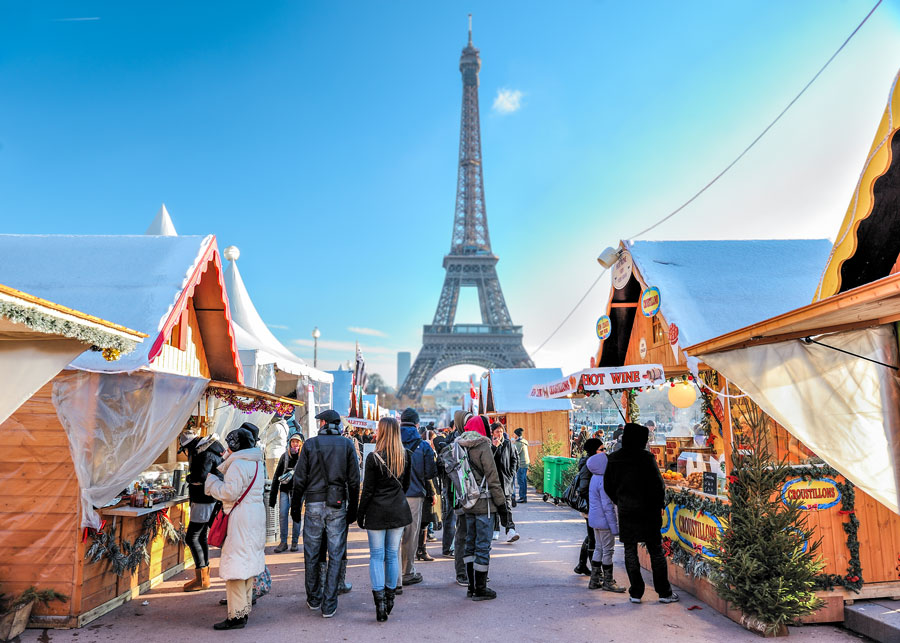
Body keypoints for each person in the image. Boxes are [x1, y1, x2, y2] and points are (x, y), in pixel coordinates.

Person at [290, 409, 361, 618]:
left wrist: (295, 506)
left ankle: (313, 598)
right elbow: (354, 481)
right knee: (336, 553)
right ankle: (329, 603)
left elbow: (299, 479)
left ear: (323, 423)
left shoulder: (310, 444)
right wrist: (353, 509)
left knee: (311, 552)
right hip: (337, 503)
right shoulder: (347, 444)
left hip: (313, 502)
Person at [604, 423, 679, 604]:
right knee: (655, 550)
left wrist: (620, 500)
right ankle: (664, 593)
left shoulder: (613, 458)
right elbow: (658, 484)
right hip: (648, 510)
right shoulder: (646, 457)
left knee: (630, 551)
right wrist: (659, 504)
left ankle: (636, 593)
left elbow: (608, 486)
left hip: (627, 510)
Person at [204, 425, 266, 630]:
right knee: (248, 564)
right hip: (255, 516)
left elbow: (229, 494)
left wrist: (212, 483)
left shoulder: (239, 465)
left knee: (237, 566)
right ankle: (244, 609)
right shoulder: (256, 463)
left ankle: (236, 616)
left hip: (241, 519)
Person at [358, 417, 412, 622]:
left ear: (381, 432)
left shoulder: (373, 458)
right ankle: (390, 598)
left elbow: (368, 490)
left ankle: (379, 603)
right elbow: (405, 486)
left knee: (376, 556)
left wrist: (360, 513)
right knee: (391, 554)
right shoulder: (405, 456)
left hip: (376, 511)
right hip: (397, 510)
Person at [458, 415, 508, 601]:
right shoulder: (483, 446)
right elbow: (493, 478)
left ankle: (471, 587)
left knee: (469, 544)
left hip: (467, 503)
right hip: (485, 504)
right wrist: (502, 505)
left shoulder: (460, 446)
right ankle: (481, 588)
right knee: (482, 547)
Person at [179, 431, 225, 593]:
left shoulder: (204, 454)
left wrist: (189, 479)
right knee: (200, 537)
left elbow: (200, 477)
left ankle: (202, 578)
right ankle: (203, 577)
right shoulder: (211, 450)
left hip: (203, 500)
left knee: (192, 537)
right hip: (209, 499)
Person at [398, 407, 436, 587]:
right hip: (414, 494)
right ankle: (407, 572)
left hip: (392, 495)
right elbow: (430, 473)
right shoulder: (424, 446)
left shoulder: (391, 442)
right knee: (410, 535)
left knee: (393, 536)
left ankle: (392, 574)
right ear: (417, 424)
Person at [586, 450, 626, 592]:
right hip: (604, 522)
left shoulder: (595, 477)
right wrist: (614, 527)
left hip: (595, 520)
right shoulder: (604, 481)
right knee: (608, 551)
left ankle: (594, 580)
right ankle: (608, 581)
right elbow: (608, 506)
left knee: (599, 548)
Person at [573, 438, 603, 576]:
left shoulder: (593, 462)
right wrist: (595, 502)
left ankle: (581, 565)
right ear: (593, 451)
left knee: (592, 536)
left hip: (593, 507)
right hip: (591, 507)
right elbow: (583, 489)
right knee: (593, 538)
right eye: (601, 449)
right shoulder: (589, 465)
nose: (604, 452)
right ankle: (596, 573)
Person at [269, 430, 302, 553]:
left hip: (298, 491)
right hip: (284, 489)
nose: (294, 444)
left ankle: (294, 542)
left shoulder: (304, 457)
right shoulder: (285, 456)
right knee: (283, 514)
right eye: (293, 441)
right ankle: (283, 542)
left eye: (297, 442)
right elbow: (277, 474)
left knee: (296, 515)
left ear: (301, 443)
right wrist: (272, 496)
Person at [490, 422, 519, 543]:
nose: (499, 434)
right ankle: (495, 529)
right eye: (497, 431)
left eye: (501, 431)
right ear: (492, 433)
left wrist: (510, 474)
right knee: (495, 507)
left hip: (506, 481)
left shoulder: (508, 444)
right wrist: (494, 447)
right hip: (493, 482)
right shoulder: (488, 445)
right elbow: (487, 461)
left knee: (507, 506)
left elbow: (515, 460)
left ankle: (510, 530)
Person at [513, 428, 530, 503]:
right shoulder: (523, 441)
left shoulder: (519, 443)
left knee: (521, 481)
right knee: (524, 481)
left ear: (516, 435)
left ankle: (522, 497)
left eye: (514, 434)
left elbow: (515, 452)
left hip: (521, 464)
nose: (513, 435)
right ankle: (524, 497)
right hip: (525, 463)